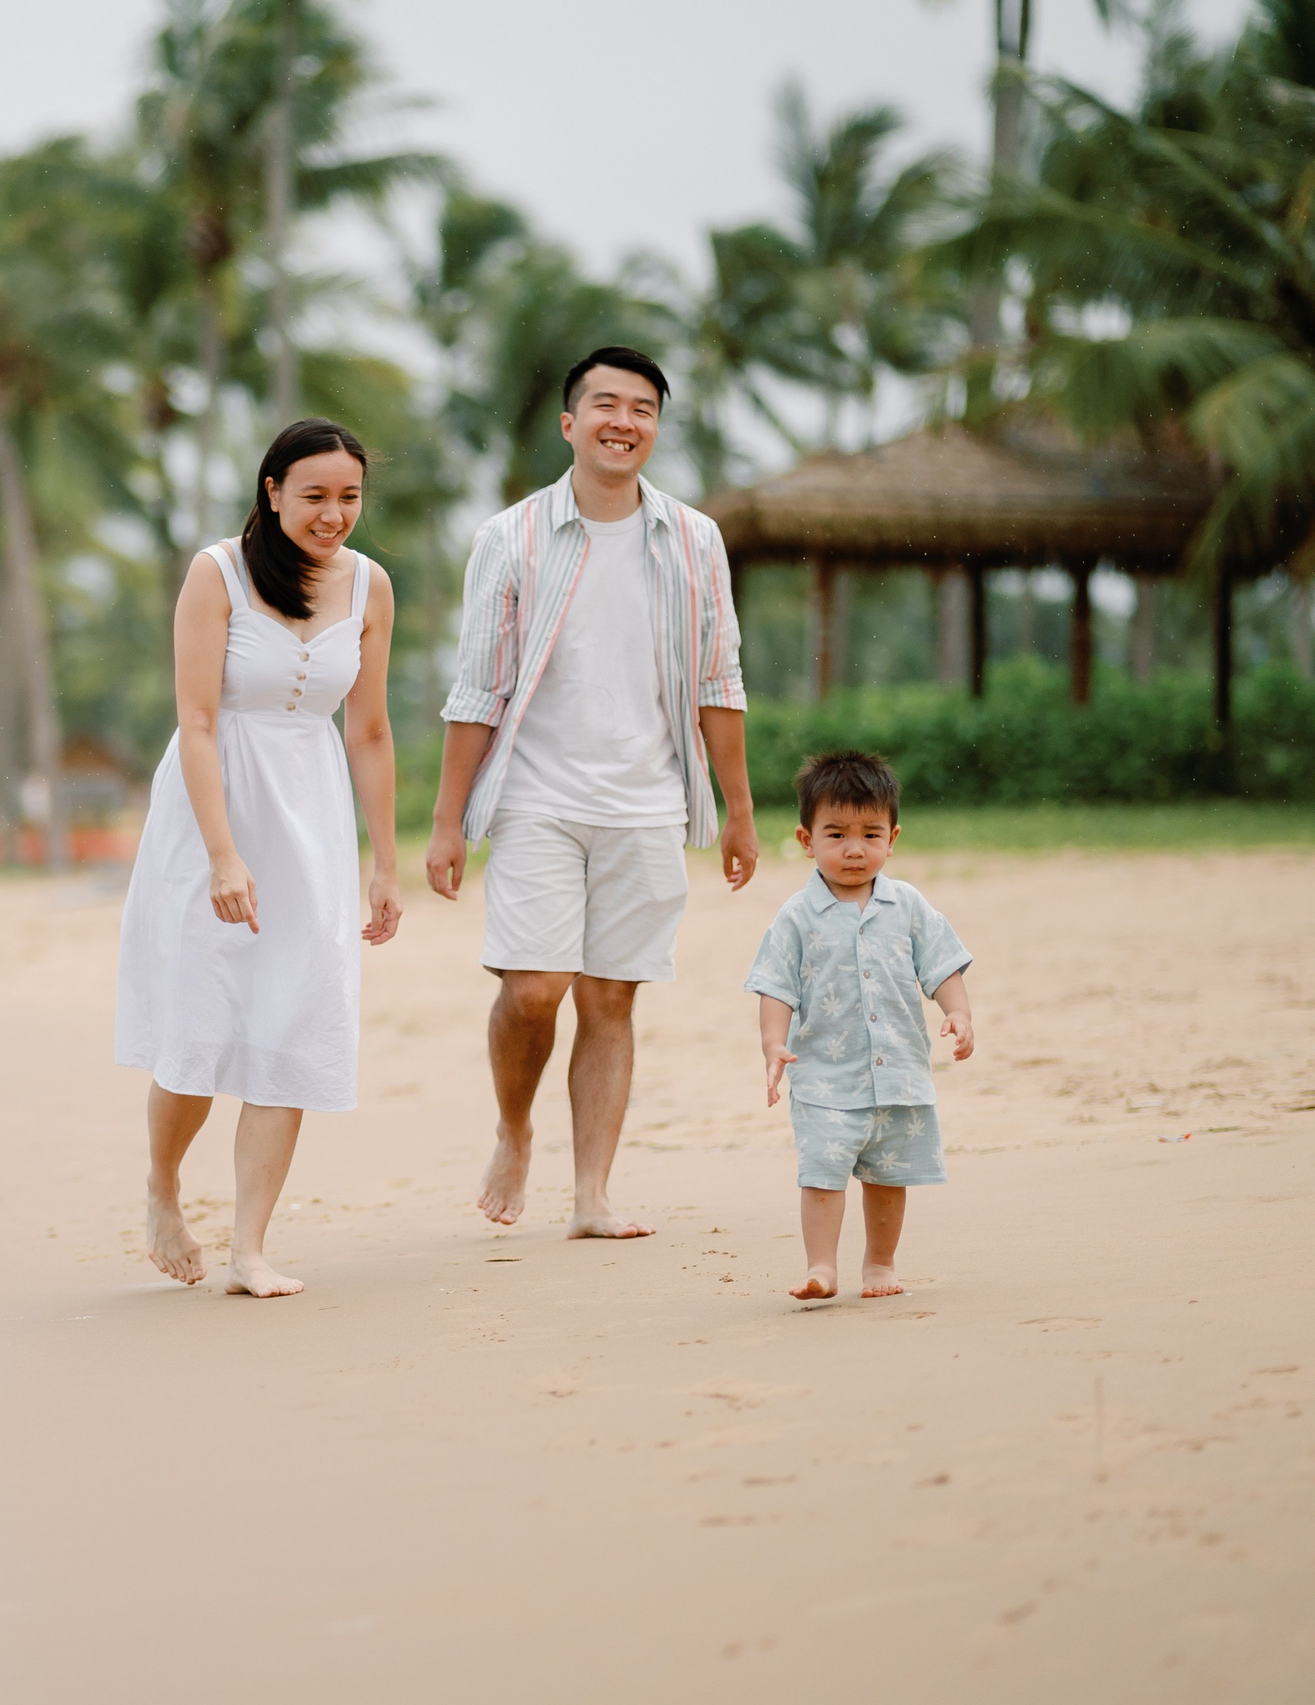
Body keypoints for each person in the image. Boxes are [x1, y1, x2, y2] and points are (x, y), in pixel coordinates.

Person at [424, 346, 761, 1240]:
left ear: (656, 426)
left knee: (611, 999)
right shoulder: (511, 536)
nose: (624, 420)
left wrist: (738, 807)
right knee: (535, 988)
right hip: (536, 797)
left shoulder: (695, 538)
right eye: (605, 404)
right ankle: (513, 1125)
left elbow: (718, 679)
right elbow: (476, 689)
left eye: (643, 407)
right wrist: (447, 822)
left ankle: (592, 1196)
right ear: (569, 423)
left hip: (647, 802)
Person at [116, 418, 403, 1298]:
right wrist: (222, 855)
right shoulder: (219, 573)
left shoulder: (370, 586)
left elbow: (371, 730)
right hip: (213, 812)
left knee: (289, 1026)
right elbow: (197, 721)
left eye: (348, 496)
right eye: (314, 495)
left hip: (310, 820)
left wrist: (383, 862)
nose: (333, 514)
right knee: (202, 1026)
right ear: (271, 491)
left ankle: (249, 1246)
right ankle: (163, 1187)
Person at [744, 750, 974, 1300]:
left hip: (898, 1073)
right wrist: (774, 1043)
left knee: (888, 1176)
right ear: (807, 841)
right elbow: (776, 985)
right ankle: (821, 1266)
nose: (854, 849)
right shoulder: (796, 916)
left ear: (893, 838)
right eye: (837, 835)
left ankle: (880, 1263)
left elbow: (940, 965)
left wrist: (958, 1011)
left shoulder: (909, 905)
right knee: (822, 1175)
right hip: (826, 1077)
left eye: (871, 835)